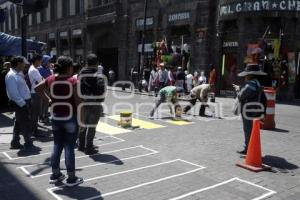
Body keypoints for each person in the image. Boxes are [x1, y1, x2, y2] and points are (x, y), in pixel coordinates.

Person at [35, 56, 83, 187]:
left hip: (55, 117)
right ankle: (71, 178)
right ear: (68, 67)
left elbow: (37, 89)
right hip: (70, 117)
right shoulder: (73, 81)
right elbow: (78, 103)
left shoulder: (51, 79)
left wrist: (48, 100)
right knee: (69, 147)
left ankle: (55, 175)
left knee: (57, 145)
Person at [5, 56, 38, 150]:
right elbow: (13, 92)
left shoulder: (18, 73)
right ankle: (28, 142)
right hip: (20, 103)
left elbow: (22, 89)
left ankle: (15, 142)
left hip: (24, 101)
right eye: (24, 63)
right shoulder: (11, 75)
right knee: (25, 123)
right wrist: (23, 104)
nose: (25, 65)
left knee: (18, 123)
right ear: (19, 63)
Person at [233, 64, 267, 155]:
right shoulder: (257, 82)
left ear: (249, 75)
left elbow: (241, 96)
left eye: (246, 75)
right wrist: (240, 88)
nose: (245, 77)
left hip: (248, 111)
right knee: (251, 130)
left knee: (248, 129)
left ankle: (248, 149)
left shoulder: (250, 84)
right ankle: (250, 148)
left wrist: (237, 90)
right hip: (255, 109)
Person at [78, 54, 106, 155]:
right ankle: (88, 147)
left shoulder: (80, 73)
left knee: (83, 124)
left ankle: (81, 145)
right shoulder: (98, 74)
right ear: (96, 63)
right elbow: (101, 90)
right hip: (95, 102)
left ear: (87, 63)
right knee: (92, 126)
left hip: (82, 101)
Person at [28, 54, 43, 136]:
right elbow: (41, 80)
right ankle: (34, 130)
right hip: (35, 93)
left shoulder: (34, 69)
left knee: (35, 112)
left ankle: (34, 129)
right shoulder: (34, 70)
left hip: (35, 92)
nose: (41, 62)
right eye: (40, 61)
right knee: (35, 113)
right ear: (37, 61)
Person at [38, 55, 53, 123]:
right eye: (48, 61)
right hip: (43, 88)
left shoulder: (48, 69)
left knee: (46, 103)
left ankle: (45, 115)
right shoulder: (40, 69)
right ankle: (41, 117)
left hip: (48, 88)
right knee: (42, 103)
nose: (49, 62)